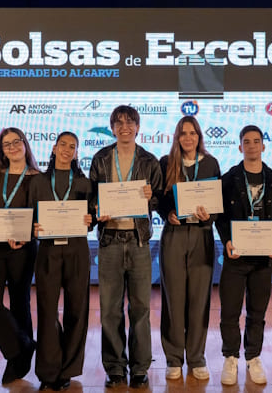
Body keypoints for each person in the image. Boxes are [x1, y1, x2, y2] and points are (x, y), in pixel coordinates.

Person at [89, 105, 162, 389]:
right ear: (112, 128)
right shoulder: (101, 158)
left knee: (141, 308)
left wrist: (150, 197)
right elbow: (92, 198)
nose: (124, 127)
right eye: (118, 123)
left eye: (130, 122)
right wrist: (97, 208)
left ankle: (140, 368)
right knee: (110, 309)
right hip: (109, 240)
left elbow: (158, 199)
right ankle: (115, 367)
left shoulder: (149, 160)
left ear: (137, 127)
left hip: (138, 239)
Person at [215, 125, 272, 386]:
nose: (252, 145)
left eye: (257, 141)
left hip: (263, 260)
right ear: (239, 147)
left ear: (263, 146)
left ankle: (253, 356)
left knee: (257, 312)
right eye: (247, 141)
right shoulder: (228, 179)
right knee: (230, 311)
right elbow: (220, 216)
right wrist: (226, 239)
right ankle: (230, 357)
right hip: (236, 258)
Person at [30, 131, 94, 391]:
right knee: (47, 311)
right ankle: (48, 372)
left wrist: (90, 220)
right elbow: (29, 216)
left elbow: (92, 218)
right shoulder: (38, 182)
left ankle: (68, 369)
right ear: (54, 148)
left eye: (73, 146)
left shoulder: (84, 183)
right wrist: (33, 228)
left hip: (77, 250)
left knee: (77, 310)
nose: (68, 149)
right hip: (48, 250)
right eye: (63, 145)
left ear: (77, 153)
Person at [158, 116, 221, 381]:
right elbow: (158, 198)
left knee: (199, 300)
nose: (188, 138)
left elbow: (216, 202)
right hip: (174, 234)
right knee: (173, 299)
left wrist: (209, 217)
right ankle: (174, 358)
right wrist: (167, 213)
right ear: (177, 137)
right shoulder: (165, 162)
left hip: (201, 234)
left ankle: (196, 358)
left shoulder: (210, 163)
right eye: (183, 133)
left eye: (192, 133)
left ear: (199, 136)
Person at [0, 128, 39, 384]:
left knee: (19, 301)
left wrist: (28, 233)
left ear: (25, 144)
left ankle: (18, 361)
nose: (12, 147)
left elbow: (42, 214)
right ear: (1, 150)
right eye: (6, 144)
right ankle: (22, 344)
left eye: (16, 141)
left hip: (22, 246)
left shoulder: (39, 178)